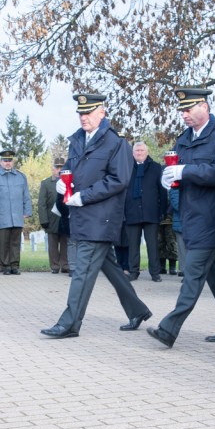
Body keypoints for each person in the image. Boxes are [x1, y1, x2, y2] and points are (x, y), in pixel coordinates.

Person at [41, 93, 152, 338]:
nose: (83, 117)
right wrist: (62, 181)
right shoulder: (77, 140)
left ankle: (70, 323)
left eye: (88, 112)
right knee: (109, 267)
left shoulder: (116, 143)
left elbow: (119, 180)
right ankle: (137, 310)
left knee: (82, 271)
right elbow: (70, 168)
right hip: (81, 215)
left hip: (101, 217)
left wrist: (84, 196)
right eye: (81, 113)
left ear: (101, 112)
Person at [146, 87, 215, 349]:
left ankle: (169, 328)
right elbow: (175, 169)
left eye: (188, 109)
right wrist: (169, 178)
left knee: (193, 274)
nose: (184, 114)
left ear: (204, 106)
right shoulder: (184, 139)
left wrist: (185, 171)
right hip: (190, 216)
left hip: (213, 217)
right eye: (182, 110)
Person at [124, 141, 167, 282]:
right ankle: (133, 272)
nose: (139, 153)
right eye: (137, 150)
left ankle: (155, 273)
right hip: (131, 212)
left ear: (147, 152)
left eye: (142, 150)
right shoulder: (127, 167)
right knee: (133, 246)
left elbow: (162, 191)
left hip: (151, 212)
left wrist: (162, 211)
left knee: (152, 245)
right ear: (133, 153)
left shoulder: (156, 167)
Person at [0, 149, 32, 275]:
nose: (8, 163)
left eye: (10, 160)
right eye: (5, 160)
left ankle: (15, 266)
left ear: (13, 161)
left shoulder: (21, 176)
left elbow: (26, 195)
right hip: (2, 215)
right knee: (4, 243)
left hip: (17, 215)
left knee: (16, 243)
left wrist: (27, 211)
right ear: (0, 162)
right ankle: (6, 266)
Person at [39, 157, 70, 274]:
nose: (59, 170)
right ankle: (55, 266)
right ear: (53, 169)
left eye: (62, 167)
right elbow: (42, 203)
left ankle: (65, 265)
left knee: (65, 243)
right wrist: (43, 220)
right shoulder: (46, 183)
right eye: (57, 167)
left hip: (65, 217)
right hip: (51, 219)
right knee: (52, 244)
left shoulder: (69, 181)